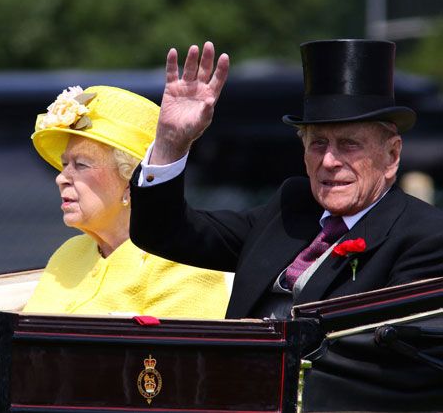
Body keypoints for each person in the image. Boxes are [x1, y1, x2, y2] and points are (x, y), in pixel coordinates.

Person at [129, 39, 443, 320]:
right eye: (318, 143)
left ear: (391, 155)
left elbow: (388, 358)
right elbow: (165, 233)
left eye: (350, 144)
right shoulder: (291, 208)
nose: (330, 161)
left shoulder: (425, 236)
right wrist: (171, 142)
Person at [23, 85, 231, 318]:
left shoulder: (182, 260)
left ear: (129, 183)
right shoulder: (70, 253)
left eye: (81, 165)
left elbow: (179, 353)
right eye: (64, 165)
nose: (61, 178)